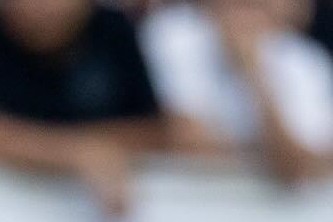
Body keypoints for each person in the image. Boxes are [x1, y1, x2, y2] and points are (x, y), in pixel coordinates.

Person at [0, 0, 169, 216]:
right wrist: (73, 153)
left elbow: (156, 128)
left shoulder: (113, 29)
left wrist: (91, 150)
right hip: (11, 209)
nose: (42, 6)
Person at [142, 0, 333, 181]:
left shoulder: (304, 58)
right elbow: (190, 143)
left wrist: (254, 75)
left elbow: (303, 166)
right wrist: (276, 154)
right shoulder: (175, 33)